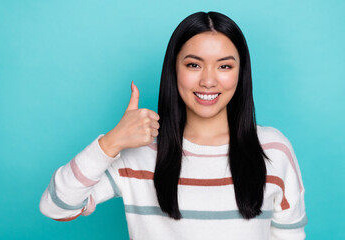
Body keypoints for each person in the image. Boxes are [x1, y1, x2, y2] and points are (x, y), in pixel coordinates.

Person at [39, 11, 307, 239]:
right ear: (174, 69)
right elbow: (56, 207)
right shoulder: (139, 152)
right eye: (193, 64)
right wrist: (112, 142)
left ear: (241, 73)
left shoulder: (273, 149)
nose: (209, 81)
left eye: (224, 67)